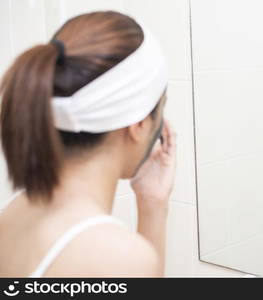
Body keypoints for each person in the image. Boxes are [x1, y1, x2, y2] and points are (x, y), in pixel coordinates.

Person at [0, 11, 176, 277]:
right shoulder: (115, 257)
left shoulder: (17, 208)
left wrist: (152, 203)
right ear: (139, 124)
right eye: (160, 106)